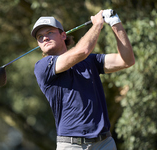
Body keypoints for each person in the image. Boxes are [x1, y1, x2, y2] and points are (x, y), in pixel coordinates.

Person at [31, 9, 135, 150]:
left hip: (104, 142)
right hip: (71, 145)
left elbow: (126, 60)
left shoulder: (90, 61)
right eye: (40, 37)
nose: (45, 38)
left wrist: (115, 23)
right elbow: (82, 51)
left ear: (63, 35)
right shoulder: (42, 67)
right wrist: (97, 24)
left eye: (49, 32)